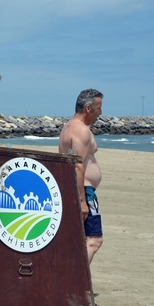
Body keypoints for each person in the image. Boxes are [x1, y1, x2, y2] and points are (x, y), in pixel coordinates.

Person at [58, 89, 104, 265]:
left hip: (74, 189)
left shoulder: (68, 127)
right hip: (83, 191)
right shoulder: (80, 130)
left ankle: (72, 282)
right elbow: (77, 165)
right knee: (94, 240)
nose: (101, 113)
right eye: (99, 108)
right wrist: (82, 200)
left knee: (77, 241)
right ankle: (74, 283)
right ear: (88, 108)